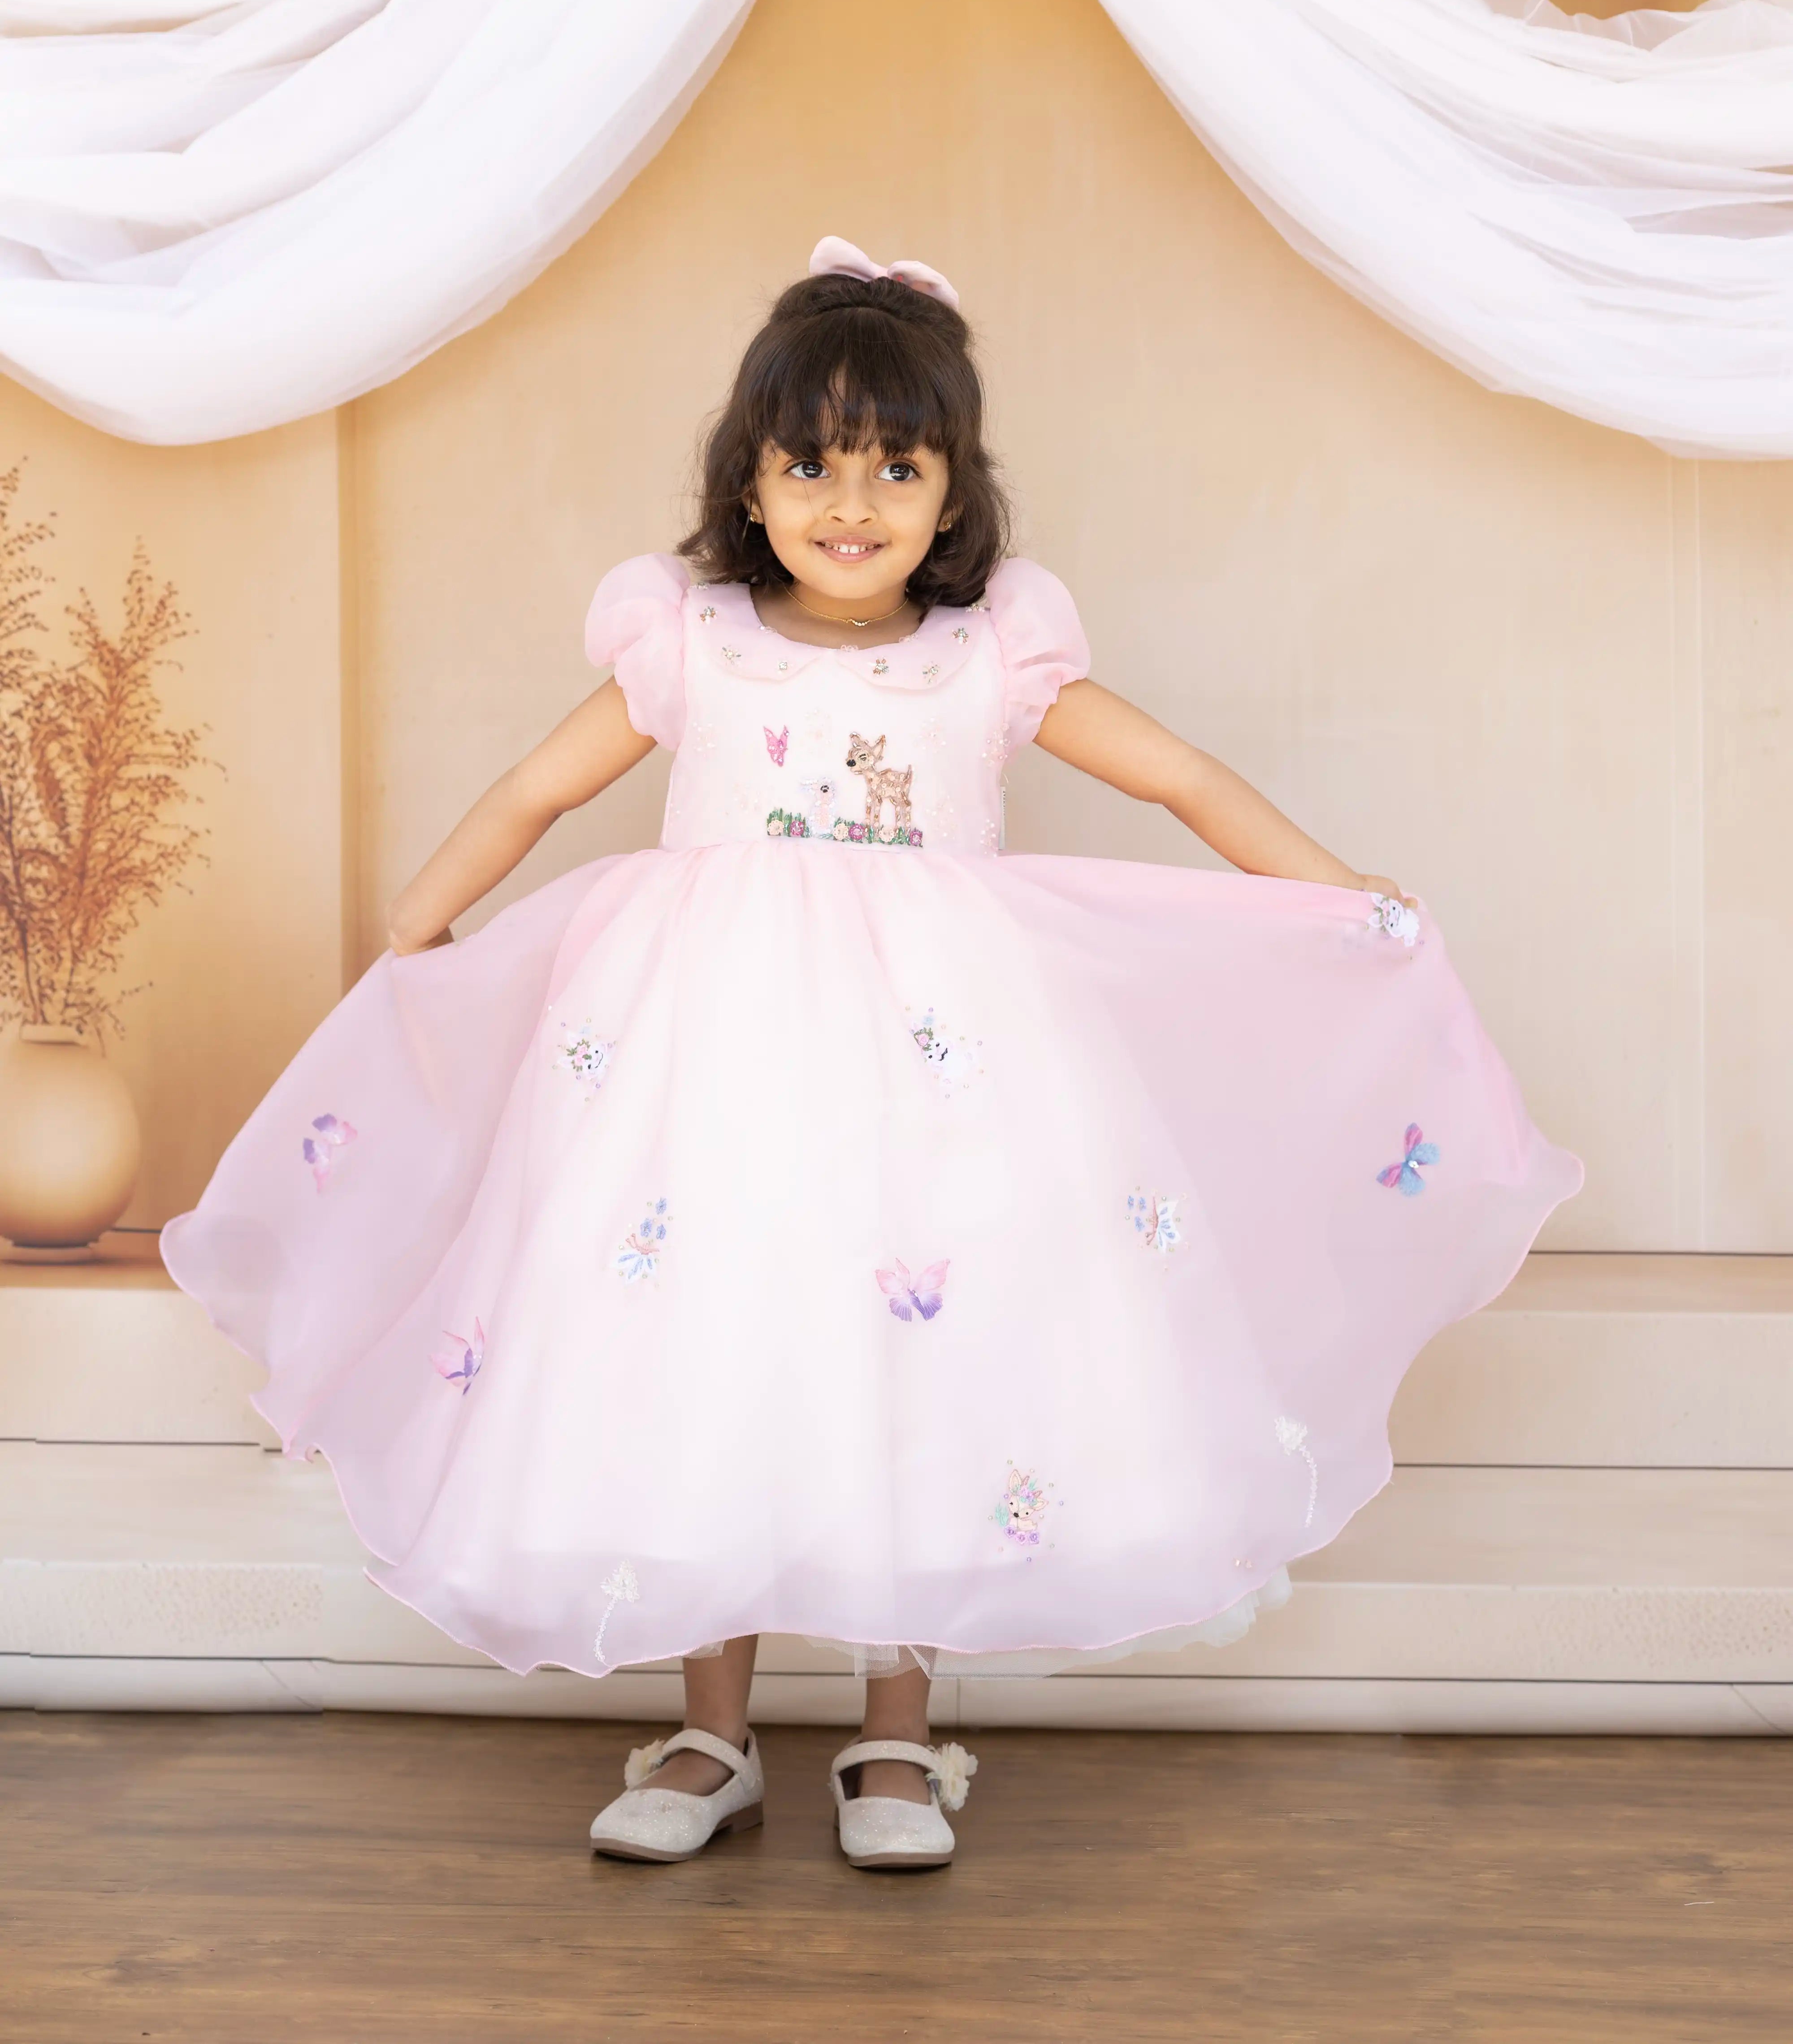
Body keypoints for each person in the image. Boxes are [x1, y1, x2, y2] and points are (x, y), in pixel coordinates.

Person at [163, 236, 1581, 1873]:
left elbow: (1182, 778)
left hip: (947, 1073)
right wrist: (417, 924)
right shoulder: (691, 646)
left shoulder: (991, 660)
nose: (854, 500)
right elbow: (538, 792)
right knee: (718, 1341)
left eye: (898, 465)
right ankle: (712, 1729)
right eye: (812, 463)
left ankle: (898, 1740)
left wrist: (1343, 894)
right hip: (709, 1075)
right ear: (749, 485)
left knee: (934, 1351)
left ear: (953, 492)